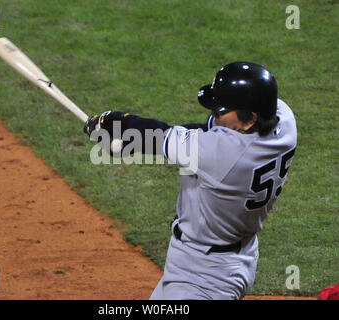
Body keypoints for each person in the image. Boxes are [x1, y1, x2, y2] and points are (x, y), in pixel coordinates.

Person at [83, 61, 297, 300]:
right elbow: (200, 135)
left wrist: (111, 123)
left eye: (220, 112)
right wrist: (132, 142)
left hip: (206, 276)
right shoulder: (284, 121)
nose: (214, 117)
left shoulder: (221, 155)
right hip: (228, 257)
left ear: (249, 119)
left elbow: (156, 135)